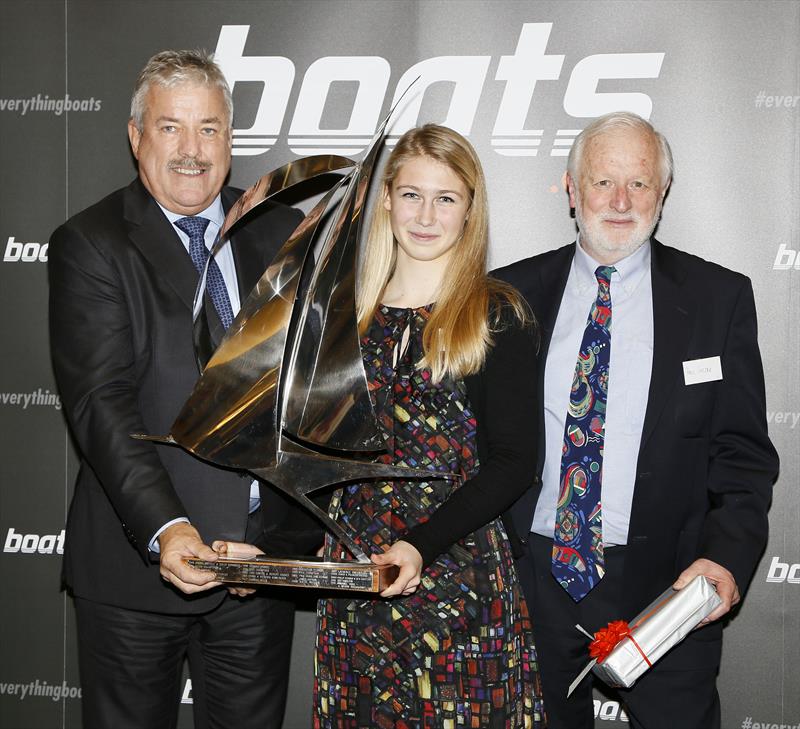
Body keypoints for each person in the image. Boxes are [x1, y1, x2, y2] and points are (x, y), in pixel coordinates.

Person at [496, 111, 779, 729]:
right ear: (572, 190)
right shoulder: (505, 296)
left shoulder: (717, 299)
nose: (621, 201)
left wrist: (726, 560)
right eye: (603, 182)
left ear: (662, 192)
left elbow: (743, 455)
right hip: (532, 582)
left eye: (640, 184)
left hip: (670, 589)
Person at [48, 50, 303, 729]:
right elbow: (102, 404)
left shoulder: (281, 231)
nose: (192, 151)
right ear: (136, 136)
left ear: (230, 136)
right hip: (137, 574)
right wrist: (169, 531)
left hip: (257, 574)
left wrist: (281, 538)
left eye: (210, 128)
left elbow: (308, 397)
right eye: (171, 128)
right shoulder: (91, 243)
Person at [316, 124, 544, 727]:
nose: (426, 215)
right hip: (359, 579)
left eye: (446, 198)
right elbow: (316, 460)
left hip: (457, 584)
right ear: (386, 198)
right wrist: (264, 550)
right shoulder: (344, 319)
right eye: (412, 194)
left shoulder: (494, 314)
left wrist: (420, 545)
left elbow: (517, 460)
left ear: (469, 211)